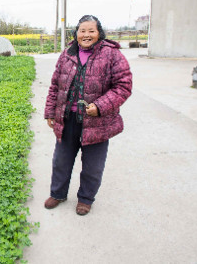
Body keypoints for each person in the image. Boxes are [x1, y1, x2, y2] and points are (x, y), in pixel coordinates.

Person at [44, 15, 132, 215]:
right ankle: (57, 193)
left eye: (91, 31)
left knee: (93, 166)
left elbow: (123, 86)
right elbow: (55, 85)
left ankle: (85, 198)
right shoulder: (67, 54)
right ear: (76, 33)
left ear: (99, 33)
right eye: (82, 31)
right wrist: (50, 111)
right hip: (68, 119)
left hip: (97, 123)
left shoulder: (112, 55)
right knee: (61, 160)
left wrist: (100, 106)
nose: (86, 35)